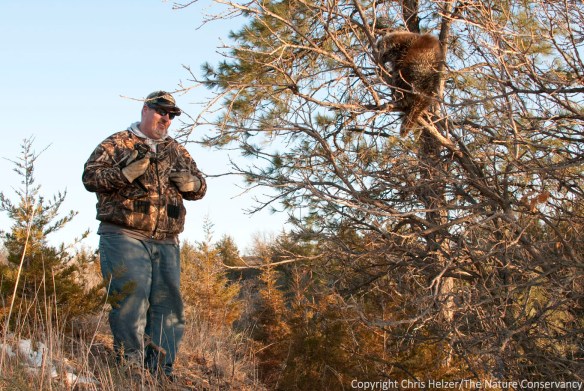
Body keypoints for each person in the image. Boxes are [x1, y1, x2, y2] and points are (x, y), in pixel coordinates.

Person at [82, 91, 207, 380]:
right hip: (125, 234)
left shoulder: (177, 150)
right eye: (161, 111)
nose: (166, 118)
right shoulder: (117, 143)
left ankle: (161, 371)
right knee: (131, 301)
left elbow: (201, 187)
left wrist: (193, 184)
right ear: (145, 109)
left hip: (167, 240)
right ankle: (131, 368)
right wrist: (123, 174)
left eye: (172, 115)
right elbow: (90, 177)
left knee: (169, 307)